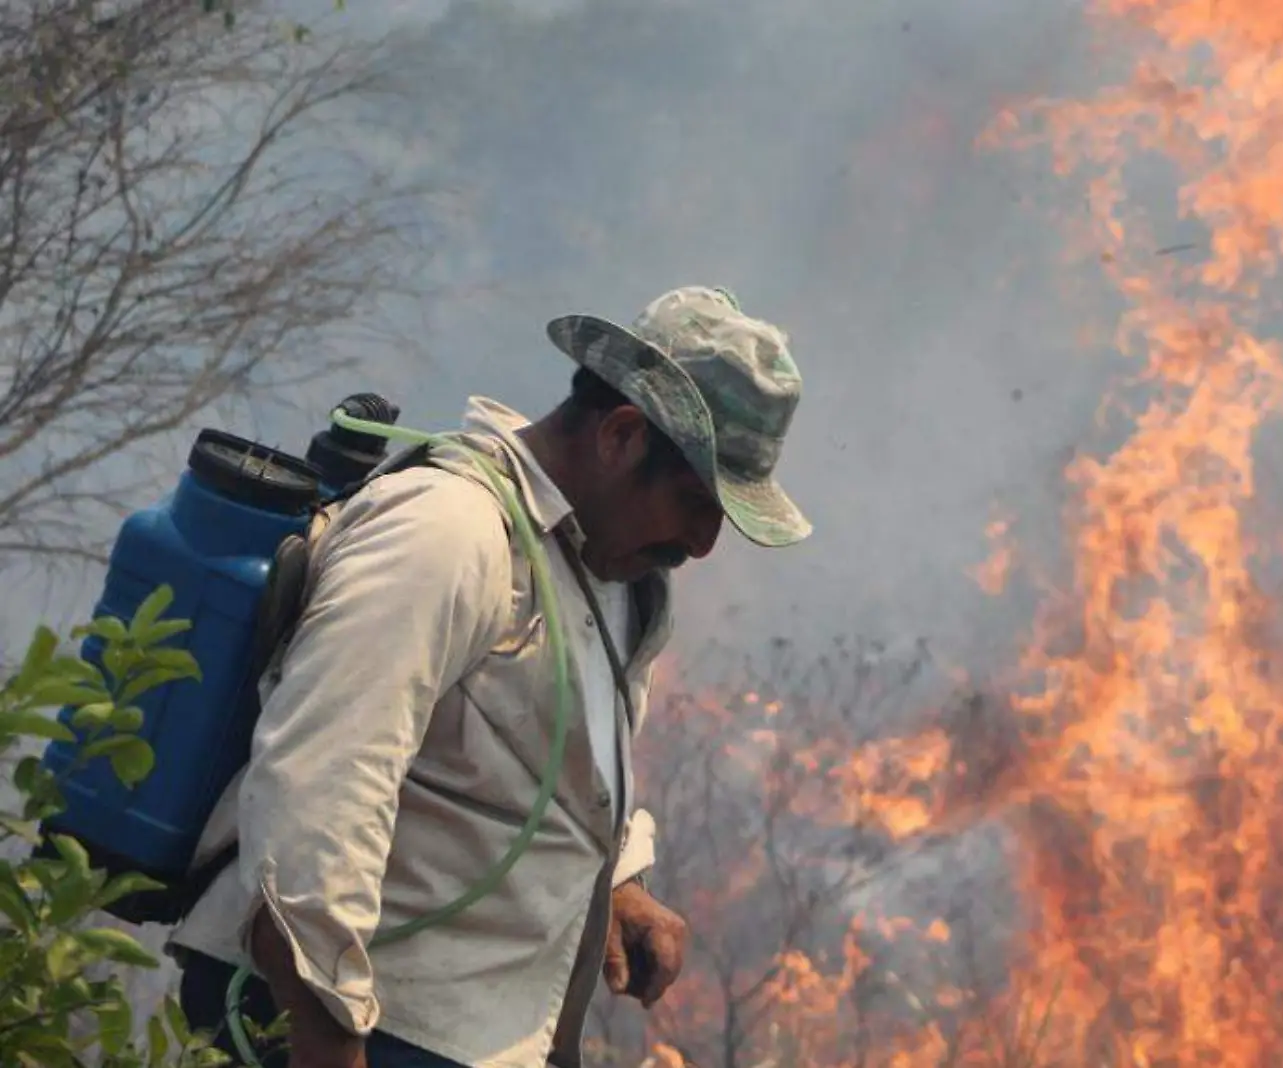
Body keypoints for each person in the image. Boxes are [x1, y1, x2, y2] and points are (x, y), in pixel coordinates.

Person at [166, 286, 813, 1068]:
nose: (706, 542)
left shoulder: (609, 574)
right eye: (696, 499)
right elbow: (322, 789)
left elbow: (552, 759)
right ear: (620, 434)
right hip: (349, 1026)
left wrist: (618, 882)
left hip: (465, 1036)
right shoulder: (449, 532)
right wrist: (330, 1037)